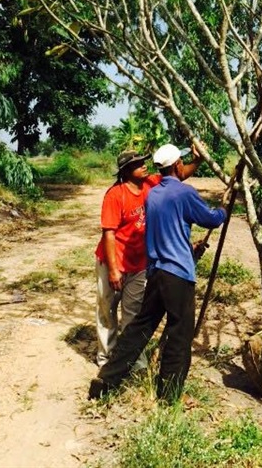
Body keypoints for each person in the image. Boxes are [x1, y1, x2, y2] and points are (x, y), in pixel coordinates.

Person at [89, 143, 226, 402]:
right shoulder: (181, 194)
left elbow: (171, 227)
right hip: (175, 274)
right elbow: (212, 219)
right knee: (180, 332)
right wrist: (224, 209)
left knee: (139, 326)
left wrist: (188, 245)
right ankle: (169, 394)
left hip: (153, 271)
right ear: (176, 164)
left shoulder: (153, 193)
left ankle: (106, 380)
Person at [94, 146, 203, 370]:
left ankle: (133, 361)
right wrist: (114, 270)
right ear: (125, 171)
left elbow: (179, 174)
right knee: (108, 310)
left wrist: (197, 161)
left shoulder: (151, 185)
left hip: (139, 262)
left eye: (144, 161)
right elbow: (109, 234)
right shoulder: (116, 195)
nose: (143, 165)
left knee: (134, 313)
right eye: (136, 164)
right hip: (113, 261)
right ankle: (106, 357)